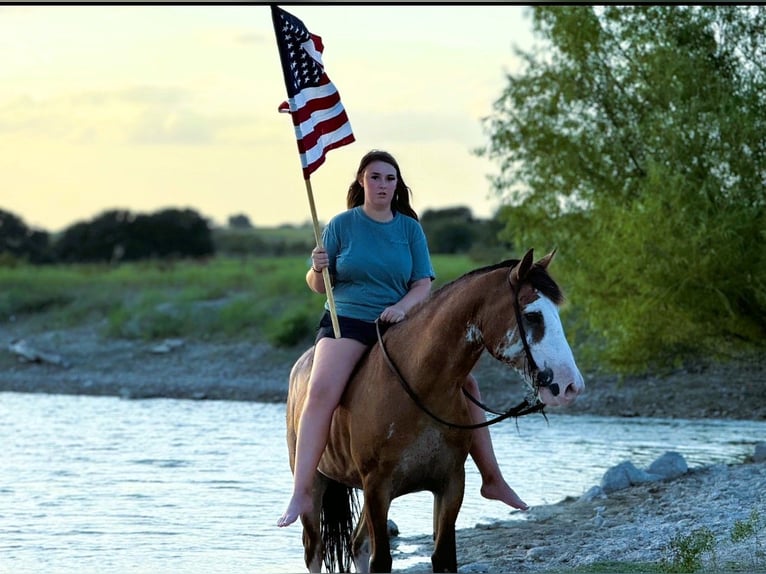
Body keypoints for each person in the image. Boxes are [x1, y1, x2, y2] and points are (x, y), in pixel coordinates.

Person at [277, 150, 528, 528]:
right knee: (320, 390)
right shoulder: (342, 225)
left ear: (398, 186)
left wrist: (402, 308)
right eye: (375, 177)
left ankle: (493, 479)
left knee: (467, 382)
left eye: (390, 178)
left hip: (399, 324)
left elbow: (422, 284)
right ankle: (302, 491)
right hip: (347, 322)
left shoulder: (409, 228)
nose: (382, 185)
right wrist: (316, 268)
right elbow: (317, 286)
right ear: (361, 181)